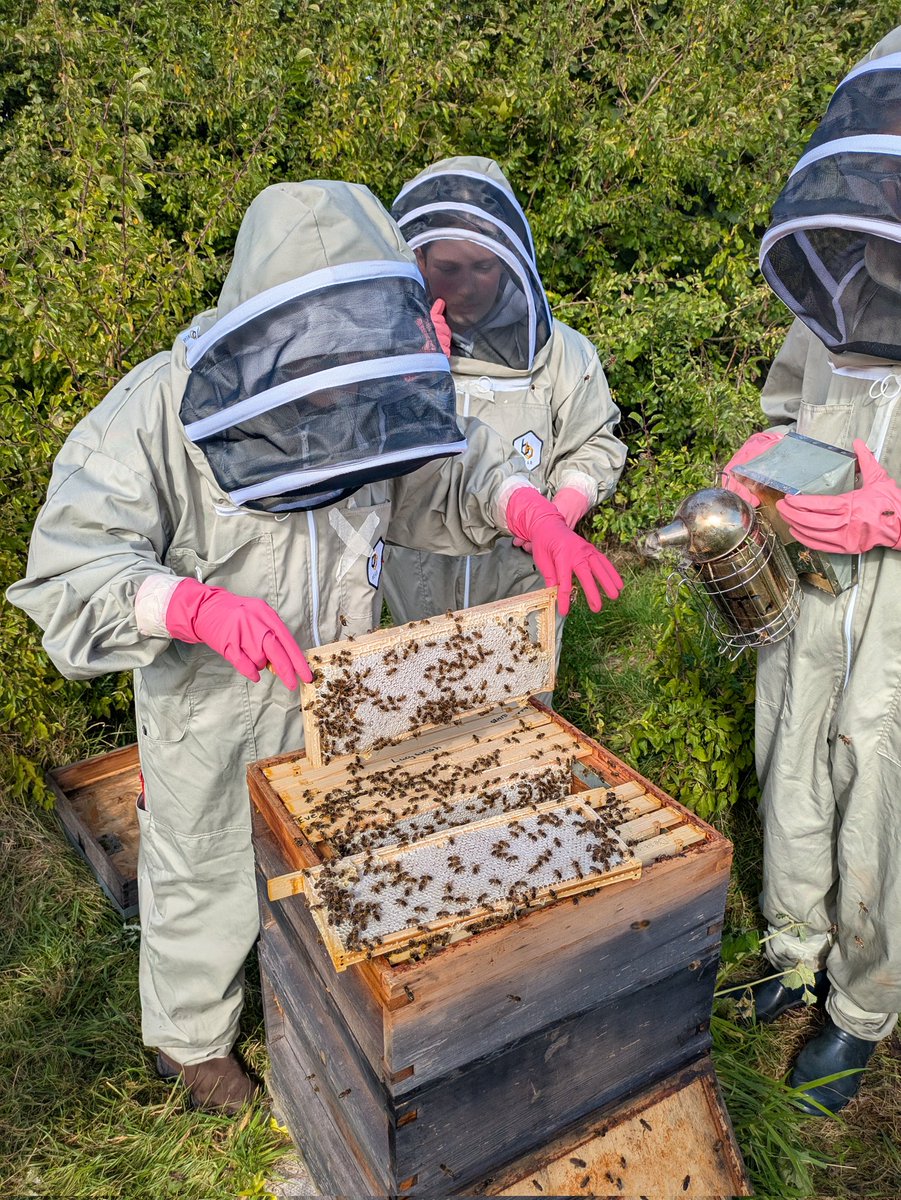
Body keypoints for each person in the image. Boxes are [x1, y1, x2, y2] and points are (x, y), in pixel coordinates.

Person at [6, 180, 622, 1116]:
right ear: (271, 315)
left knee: (321, 854)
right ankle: (191, 1042)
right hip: (212, 699)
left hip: (338, 679)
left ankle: (308, 996)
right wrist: (193, 607)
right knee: (203, 860)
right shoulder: (156, 410)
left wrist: (521, 507)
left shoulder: (372, 380)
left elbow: (436, 473)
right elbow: (71, 565)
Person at [721, 28, 901, 1114]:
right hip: (811, 593)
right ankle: (794, 953)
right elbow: (792, 408)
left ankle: (860, 1010)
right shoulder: (840, 271)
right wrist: (757, 469)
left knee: (881, 797)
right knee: (790, 762)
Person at [382, 156, 626, 663]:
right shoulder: (385, 353)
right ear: (418, 259)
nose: (467, 286)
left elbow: (595, 443)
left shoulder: (563, 353)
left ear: (510, 263)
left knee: (520, 729)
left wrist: (565, 506)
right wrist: (414, 375)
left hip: (524, 589)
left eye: (484, 267)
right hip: (416, 594)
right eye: (448, 269)